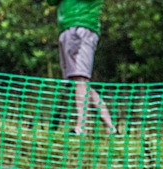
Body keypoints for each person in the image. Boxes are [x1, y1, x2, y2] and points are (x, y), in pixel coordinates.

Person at [47, 0, 117, 135]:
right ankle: (110, 127)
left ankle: (82, 127)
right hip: (66, 26)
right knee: (78, 81)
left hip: (84, 26)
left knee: (80, 78)